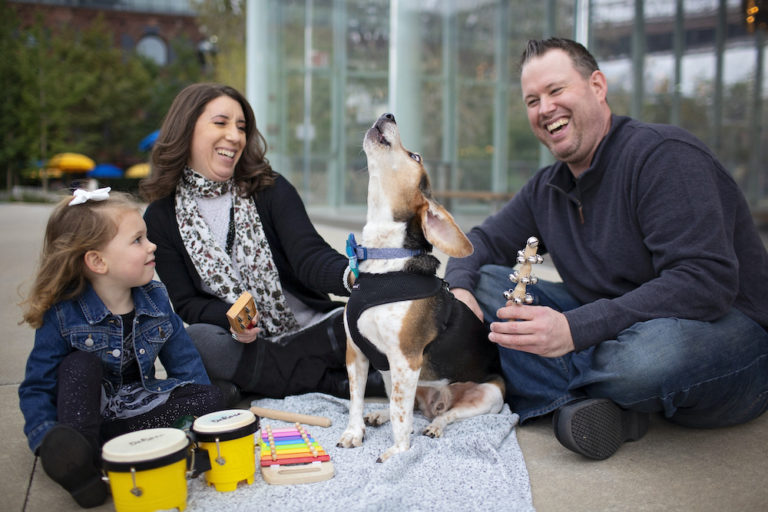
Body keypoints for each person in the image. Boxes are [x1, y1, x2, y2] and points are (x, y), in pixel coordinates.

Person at [445, 38, 768, 461]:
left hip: (724, 335)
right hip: (614, 321)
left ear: (597, 86)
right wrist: (459, 291)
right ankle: (606, 405)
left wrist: (575, 330)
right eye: (532, 100)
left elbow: (705, 283)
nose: (545, 109)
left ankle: (555, 389)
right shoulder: (548, 187)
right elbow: (480, 243)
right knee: (490, 285)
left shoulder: (664, 157)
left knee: (648, 358)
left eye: (556, 91)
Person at [141, 83, 384, 407]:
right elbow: (187, 304)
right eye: (221, 122)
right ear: (187, 127)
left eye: (241, 127)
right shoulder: (160, 217)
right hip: (245, 343)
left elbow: (308, 256)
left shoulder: (270, 189)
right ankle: (335, 380)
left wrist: (353, 276)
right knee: (195, 341)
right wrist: (230, 318)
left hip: (311, 330)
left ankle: (284, 379)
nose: (235, 136)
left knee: (367, 318)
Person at [18, 188, 224, 508]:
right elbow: (37, 387)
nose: (151, 245)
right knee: (79, 365)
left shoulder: (155, 298)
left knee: (214, 396)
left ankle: (117, 445)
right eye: (137, 240)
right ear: (98, 261)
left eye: (147, 237)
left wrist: (207, 416)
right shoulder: (63, 313)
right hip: (84, 413)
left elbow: (184, 361)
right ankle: (78, 460)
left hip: (135, 405)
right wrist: (47, 439)